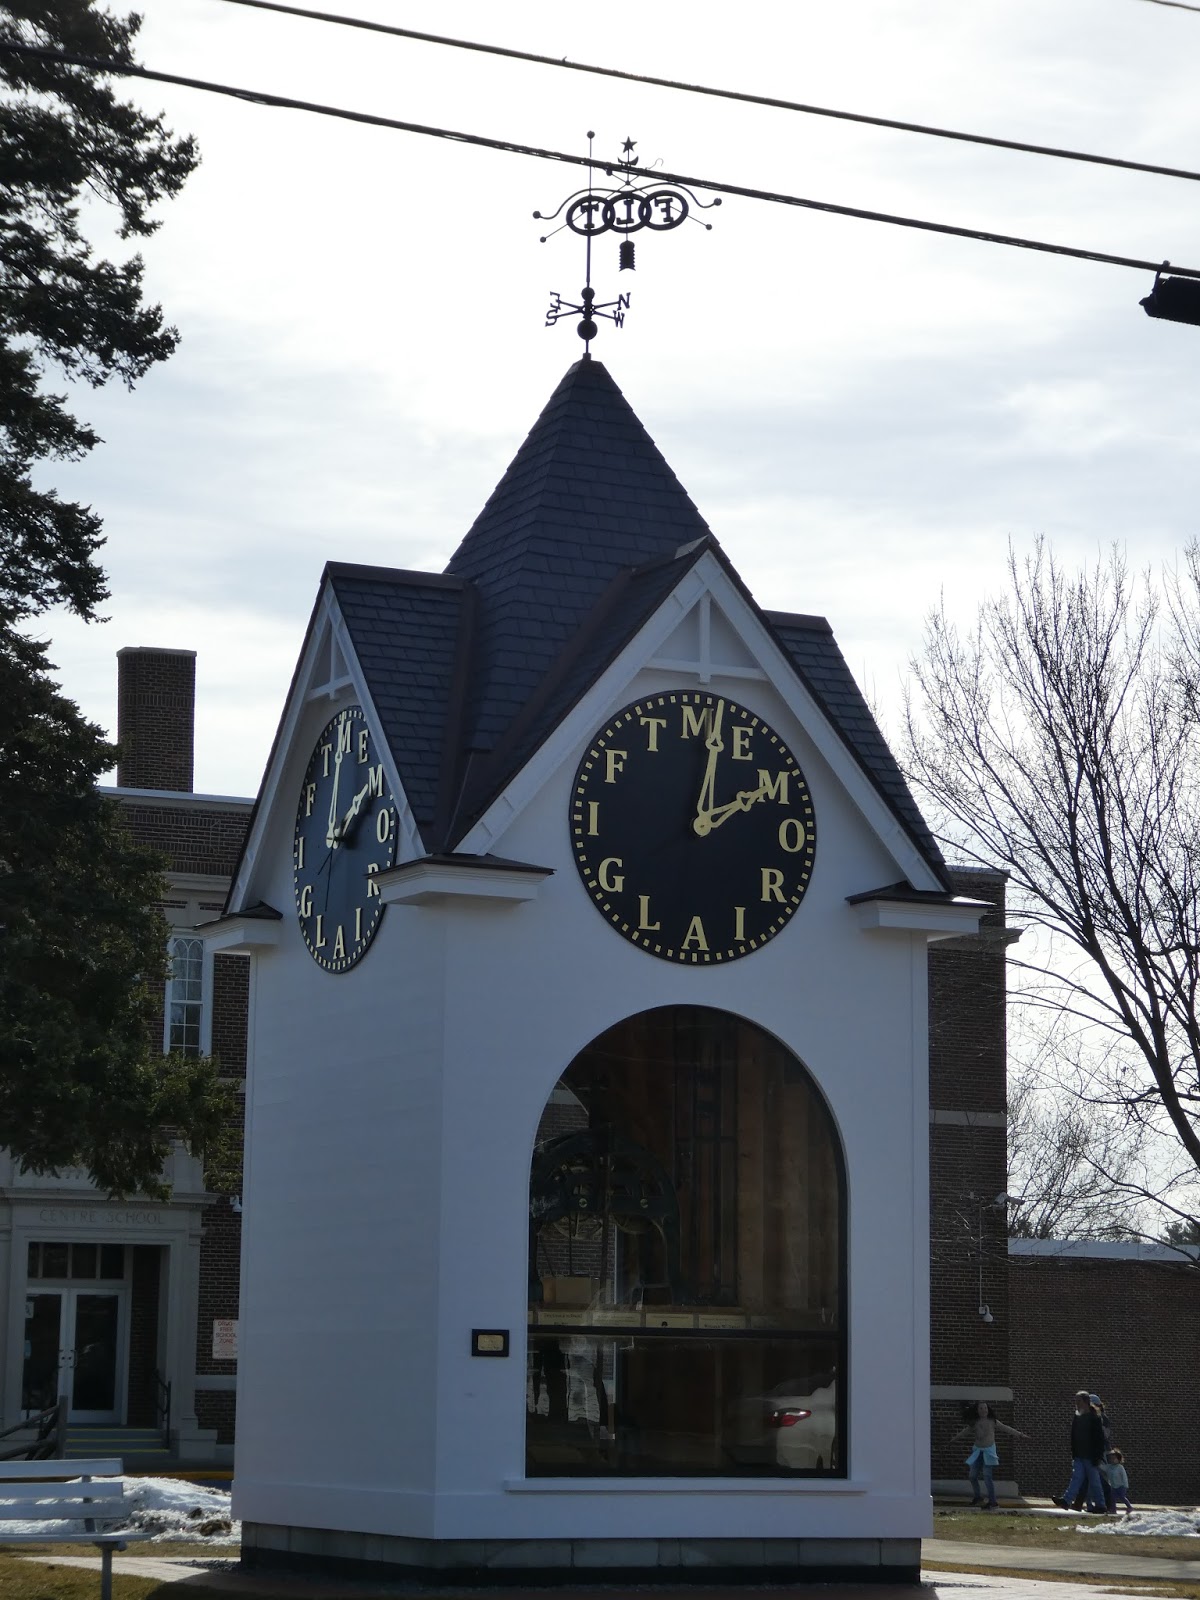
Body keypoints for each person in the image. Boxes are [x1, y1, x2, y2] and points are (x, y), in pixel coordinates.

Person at [952, 1400, 1031, 1509]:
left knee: (987, 1476)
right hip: (977, 1451)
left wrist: (1020, 1435)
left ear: (988, 1410)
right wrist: (954, 1439)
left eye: (985, 1408)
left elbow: (1006, 1428)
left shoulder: (993, 1421)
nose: (984, 1410)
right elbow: (965, 1431)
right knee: (972, 1476)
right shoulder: (974, 1423)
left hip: (989, 1452)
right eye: (981, 1408)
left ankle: (993, 1502)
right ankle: (978, 1497)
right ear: (977, 1410)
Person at [1054, 1390, 1107, 1513]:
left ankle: (1100, 1505)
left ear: (1086, 1402)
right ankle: (1066, 1501)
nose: (1076, 1404)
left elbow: (1099, 1439)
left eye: (1078, 1401)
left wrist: (1097, 1456)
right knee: (1076, 1478)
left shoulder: (1094, 1418)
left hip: (1091, 1456)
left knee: (1094, 1482)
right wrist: (1074, 1452)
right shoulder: (1077, 1417)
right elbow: (1074, 1436)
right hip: (1079, 1455)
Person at [1106, 1448, 1134, 1515]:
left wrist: (1125, 1485)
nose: (1112, 1460)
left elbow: (1124, 1477)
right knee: (1113, 1498)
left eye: (1114, 1458)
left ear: (1118, 1459)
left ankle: (1129, 1507)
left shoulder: (1120, 1467)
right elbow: (1103, 1469)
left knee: (1122, 1497)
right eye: (1111, 1458)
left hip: (1121, 1485)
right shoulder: (1109, 1467)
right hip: (1113, 1486)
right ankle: (1113, 1510)